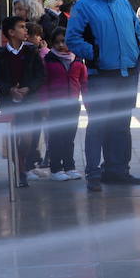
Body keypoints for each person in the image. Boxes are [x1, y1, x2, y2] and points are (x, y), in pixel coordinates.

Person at [66, 0, 140, 192]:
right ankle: (93, 173)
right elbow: (73, 39)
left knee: (122, 125)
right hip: (102, 75)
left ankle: (118, 170)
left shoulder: (123, 3)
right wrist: (96, 55)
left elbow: (135, 28)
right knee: (99, 125)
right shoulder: (84, 6)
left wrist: (138, 51)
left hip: (127, 73)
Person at [0, 15, 45, 188]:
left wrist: (28, 88)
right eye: (21, 27)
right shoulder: (0, 54)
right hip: (9, 102)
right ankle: (20, 170)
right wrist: (9, 90)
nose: (25, 30)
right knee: (13, 138)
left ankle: (21, 161)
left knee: (27, 139)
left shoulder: (31, 51)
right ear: (11, 32)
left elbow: (40, 75)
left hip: (28, 101)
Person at [41, 27, 87, 181]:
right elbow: (43, 85)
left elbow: (83, 82)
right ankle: (55, 168)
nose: (61, 45)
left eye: (64, 41)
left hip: (73, 104)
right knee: (56, 137)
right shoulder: (48, 60)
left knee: (69, 137)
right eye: (57, 42)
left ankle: (70, 166)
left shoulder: (77, 59)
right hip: (55, 105)